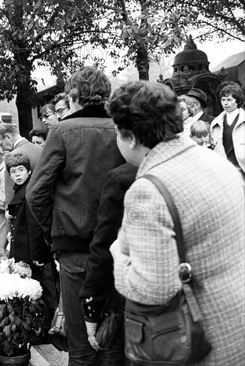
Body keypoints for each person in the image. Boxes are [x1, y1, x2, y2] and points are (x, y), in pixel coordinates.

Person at [107, 80, 245, 365]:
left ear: (130, 137)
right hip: (236, 327)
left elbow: (152, 289)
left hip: (199, 342)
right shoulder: (218, 163)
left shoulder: (145, 192)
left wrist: (118, 255)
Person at [26, 66, 124, 364]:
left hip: (76, 248)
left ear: (73, 96)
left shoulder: (63, 131)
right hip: (120, 248)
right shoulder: (123, 129)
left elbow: (36, 192)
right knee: (113, 343)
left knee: (80, 347)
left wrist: (54, 228)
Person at [79, 162, 137, 363]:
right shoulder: (203, 167)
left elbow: (104, 244)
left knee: (114, 351)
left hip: (129, 295)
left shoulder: (122, 177)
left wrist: (91, 309)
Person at [6, 153, 58, 327]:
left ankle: (47, 327)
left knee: (41, 289)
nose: (18, 174)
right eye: (13, 171)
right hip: (24, 246)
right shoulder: (22, 190)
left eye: (21, 170)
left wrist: (37, 254)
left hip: (32, 250)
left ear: (29, 171)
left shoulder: (29, 192)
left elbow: (35, 226)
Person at [0, 123, 43, 204]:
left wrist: (9, 210)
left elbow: (10, 192)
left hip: (23, 207)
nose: (1, 149)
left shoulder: (11, 156)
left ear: (8, 136)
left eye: (1, 144)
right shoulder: (41, 150)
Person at [210, 83, 245, 176]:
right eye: (223, 100)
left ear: (238, 101)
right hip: (224, 171)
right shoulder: (216, 123)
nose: (225, 103)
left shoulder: (243, 120)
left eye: (229, 100)